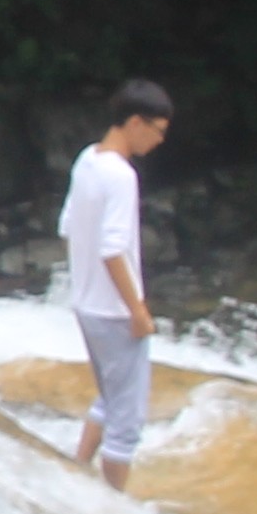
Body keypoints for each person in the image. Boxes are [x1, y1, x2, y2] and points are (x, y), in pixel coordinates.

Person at [60, 81, 170, 490]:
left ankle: (79, 466)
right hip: (113, 311)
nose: (158, 141)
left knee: (109, 395)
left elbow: (69, 226)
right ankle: (116, 511)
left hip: (86, 304)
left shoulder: (87, 160)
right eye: (156, 131)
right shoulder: (121, 176)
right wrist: (137, 309)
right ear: (135, 123)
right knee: (127, 420)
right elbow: (112, 249)